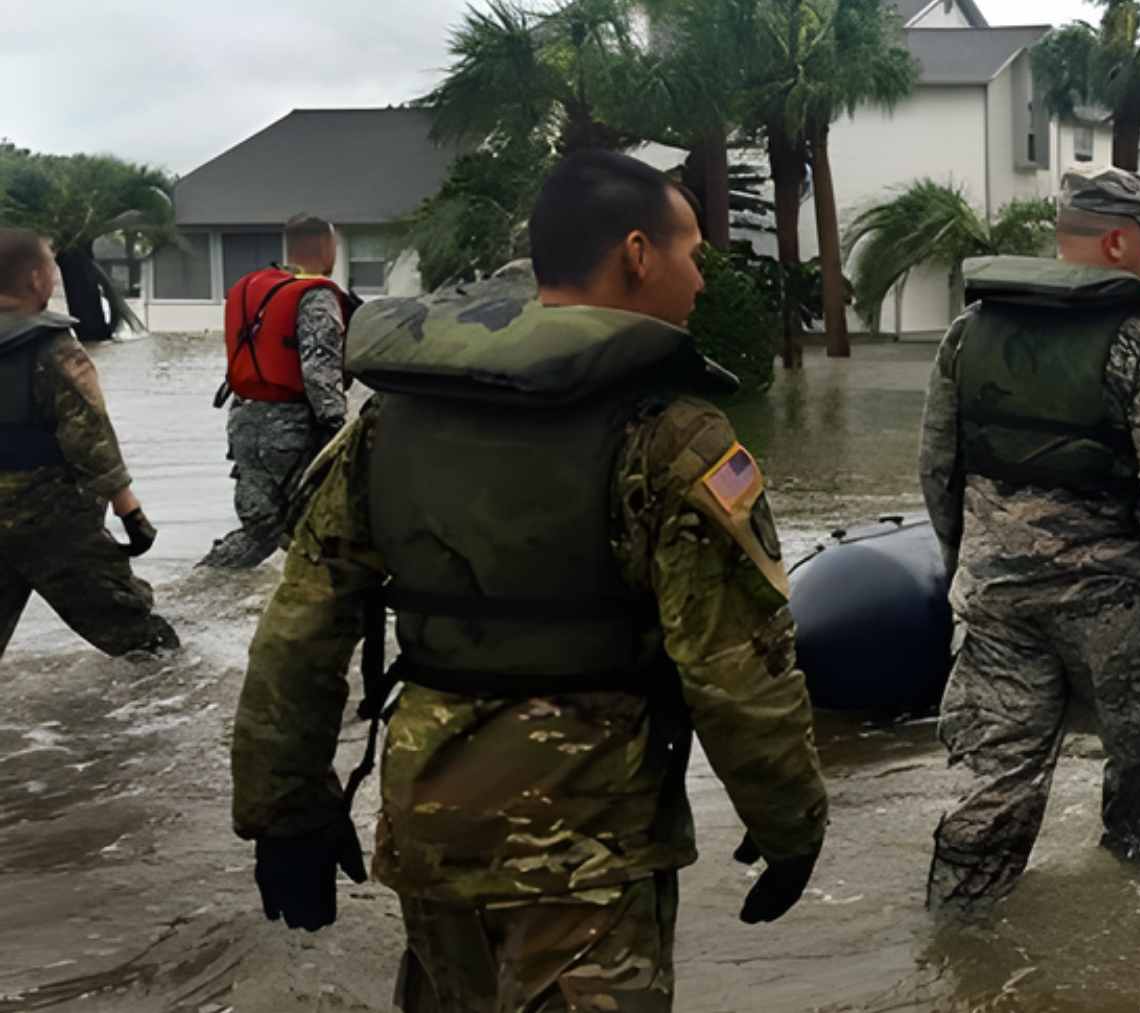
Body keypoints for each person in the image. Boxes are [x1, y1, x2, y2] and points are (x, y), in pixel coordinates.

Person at [230, 151, 829, 1012]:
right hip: (587, 850)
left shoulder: (391, 420)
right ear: (636, 254)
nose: (701, 280)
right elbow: (735, 670)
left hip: (431, 828)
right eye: (692, 254)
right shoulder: (672, 438)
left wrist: (284, 809)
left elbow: (300, 626)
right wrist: (791, 826)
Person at [918, 167, 1140, 911]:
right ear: (1123, 239)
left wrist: (963, 567)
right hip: (1115, 607)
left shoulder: (969, 333)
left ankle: (959, 934)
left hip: (997, 599)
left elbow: (939, 468)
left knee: (994, 780)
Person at [0, 228, 176, 660]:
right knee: (142, 639)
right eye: (51, 268)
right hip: (51, 518)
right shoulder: (54, 349)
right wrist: (128, 508)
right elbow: (88, 436)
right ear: (36, 280)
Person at [199, 214, 353, 569]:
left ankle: (204, 582)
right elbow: (319, 371)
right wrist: (338, 430)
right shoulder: (316, 296)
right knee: (319, 526)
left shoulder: (250, 287)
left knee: (260, 529)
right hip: (291, 430)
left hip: (243, 423)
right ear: (327, 247)